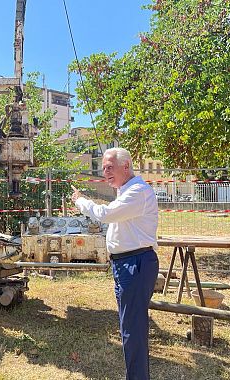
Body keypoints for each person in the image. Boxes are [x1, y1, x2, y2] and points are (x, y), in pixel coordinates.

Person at [71, 147, 159, 380]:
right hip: (127, 264)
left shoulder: (137, 191)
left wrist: (81, 202)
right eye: (103, 168)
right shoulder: (126, 191)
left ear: (126, 166)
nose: (105, 172)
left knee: (132, 329)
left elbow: (106, 214)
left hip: (135, 263)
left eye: (110, 167)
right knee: (129, 326)